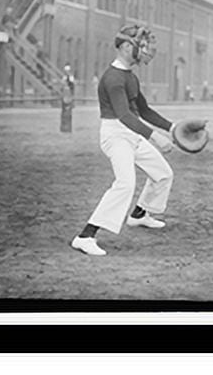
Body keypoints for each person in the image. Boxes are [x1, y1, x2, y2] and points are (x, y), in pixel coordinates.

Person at [70, 24, 176, 257]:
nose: (146, 51)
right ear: (127, 46)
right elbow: (124, 115)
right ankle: (85, 236)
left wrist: (174, 128)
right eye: (141, 45)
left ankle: (139, 214)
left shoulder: (130, 77)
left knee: (163, 173)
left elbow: (144, 111)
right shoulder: (113, 78)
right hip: (116, 135)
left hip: (131, 132)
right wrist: (156, 136)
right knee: (125, 184)